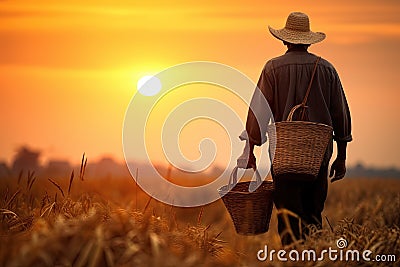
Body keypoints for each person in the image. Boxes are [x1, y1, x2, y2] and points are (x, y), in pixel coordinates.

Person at [238, 12, 352, 245]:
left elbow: (258, 112)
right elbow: (340, 114)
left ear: (284, 40)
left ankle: (292, 259)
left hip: (284, 157)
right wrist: (341, 157)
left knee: (289, 221)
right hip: (317, 157)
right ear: (309, 40)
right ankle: (312, 259)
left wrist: (249, 150)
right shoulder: (327, 69)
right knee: (313, 217)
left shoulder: (272, 68)